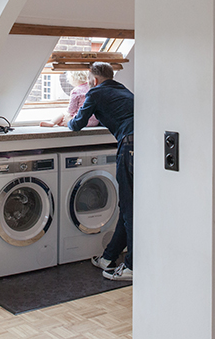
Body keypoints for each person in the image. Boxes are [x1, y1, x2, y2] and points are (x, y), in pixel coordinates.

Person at [68, 61, 134, 281]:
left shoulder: (95, 92)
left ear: (93, 80)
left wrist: (67, 121)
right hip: (146, 145)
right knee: (129, 206)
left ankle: (132, 267)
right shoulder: (124, 90)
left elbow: (77, 124)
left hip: (130, 145)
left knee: (129, 208)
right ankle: (108, 258)